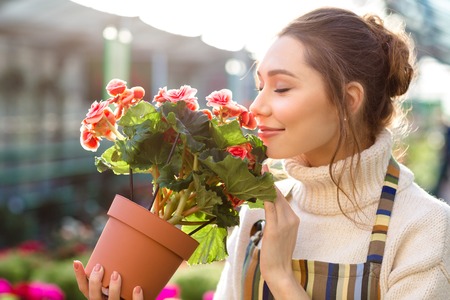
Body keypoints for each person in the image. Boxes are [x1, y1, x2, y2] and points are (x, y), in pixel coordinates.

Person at [74, 7, 450, 299]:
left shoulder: (424, 229)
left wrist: (282, 279)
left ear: (349, 100)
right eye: (259, 86)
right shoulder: (257, 210)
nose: (255, 107)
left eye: (282, 88)